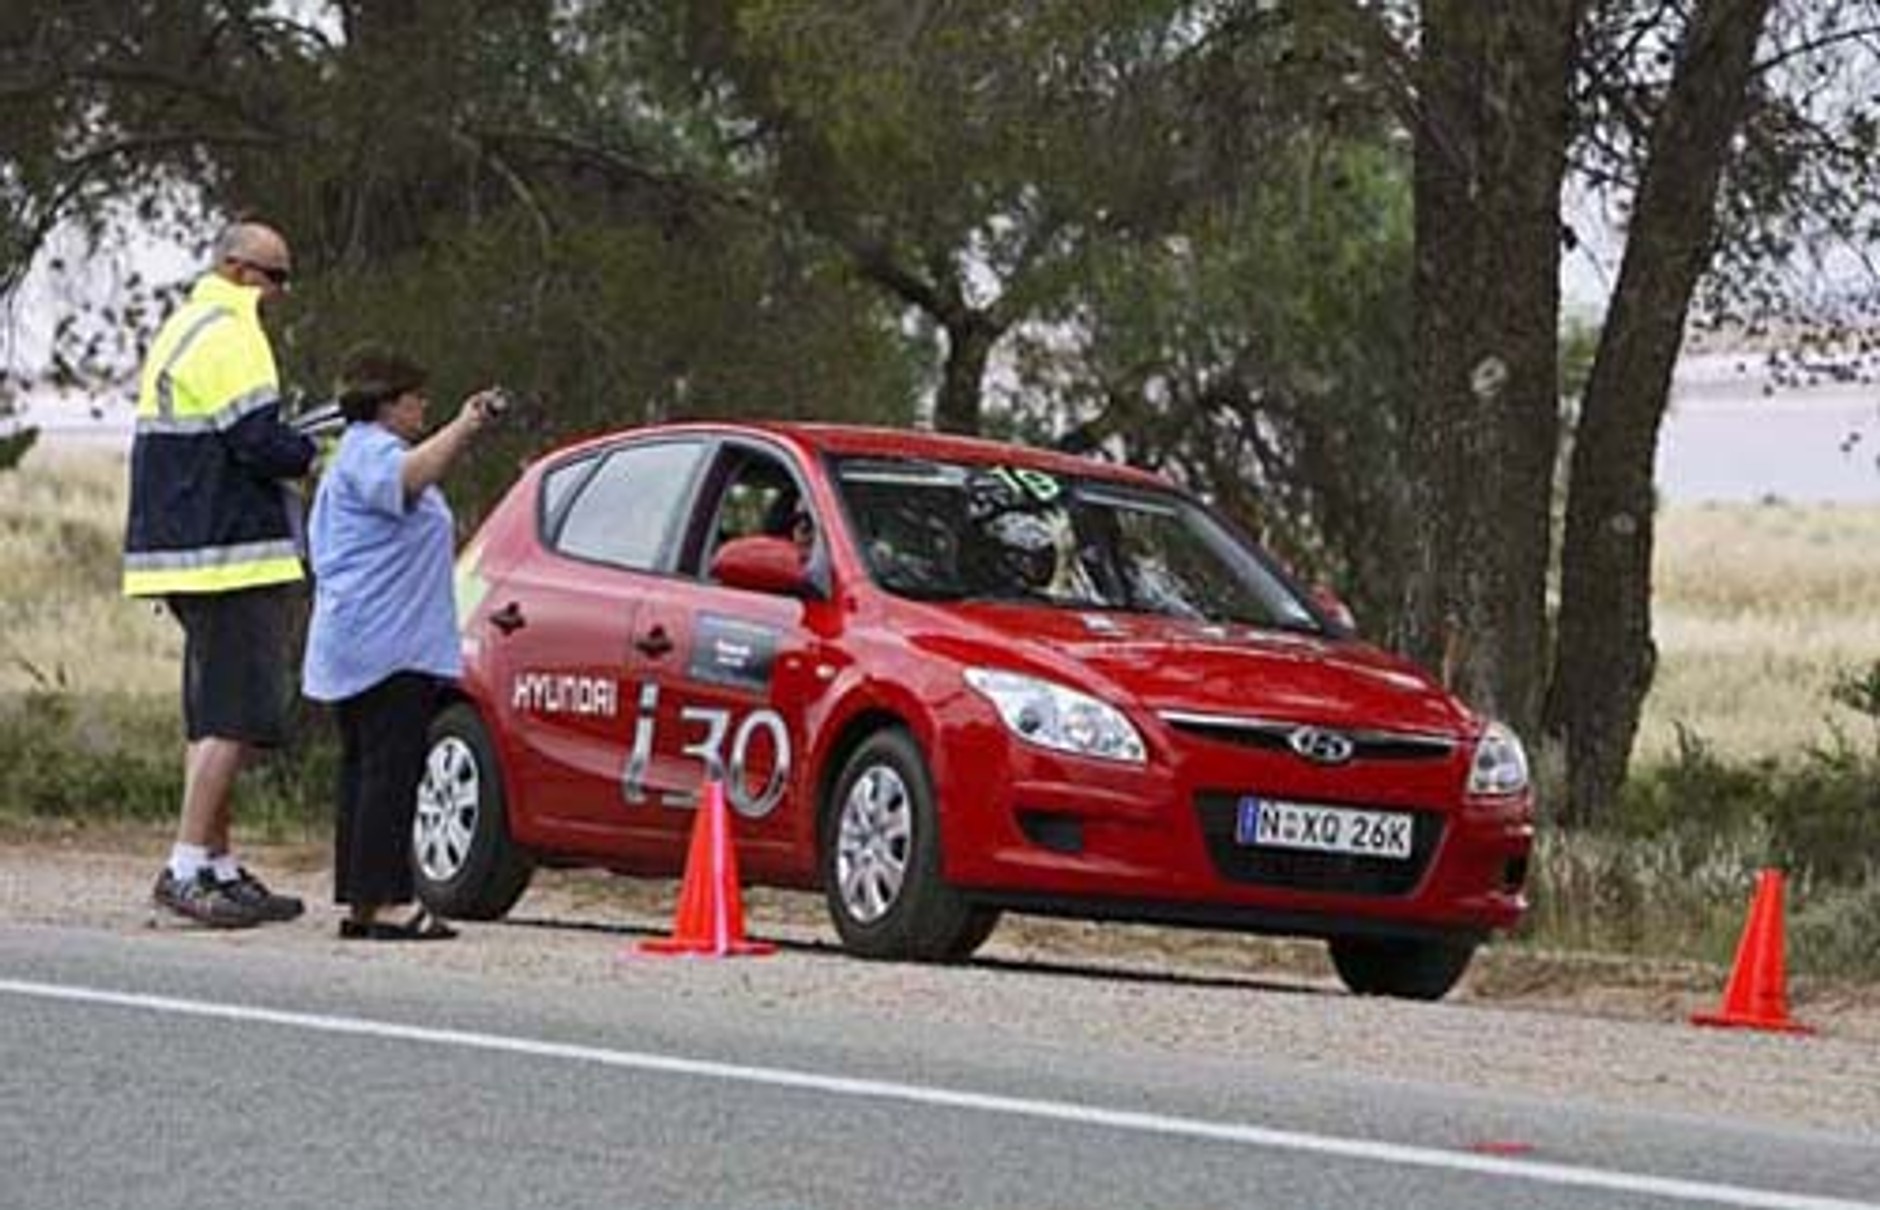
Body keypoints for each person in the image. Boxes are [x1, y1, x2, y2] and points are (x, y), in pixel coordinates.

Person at [124, 220, 317, 929]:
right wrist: (304, 452)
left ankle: (217, 863)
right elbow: (257, 442)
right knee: (236, 715)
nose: (282, 293)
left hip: (178, 550)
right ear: (240, 270)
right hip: (228, 553)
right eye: (277, 276)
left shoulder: (185, 323)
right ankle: (184, 867)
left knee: (211, 717)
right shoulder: (235, 333)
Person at [301, 345, 498, 941]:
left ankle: (364, 898)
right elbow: (406, 480)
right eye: (415, 398)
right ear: (386, 404)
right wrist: (464, 427)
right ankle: (385, 899)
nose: (423, 408)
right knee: (388, 770)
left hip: (374, 639)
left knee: (370, 771)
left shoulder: (358, 455)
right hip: (384, 644)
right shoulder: (372, 452)